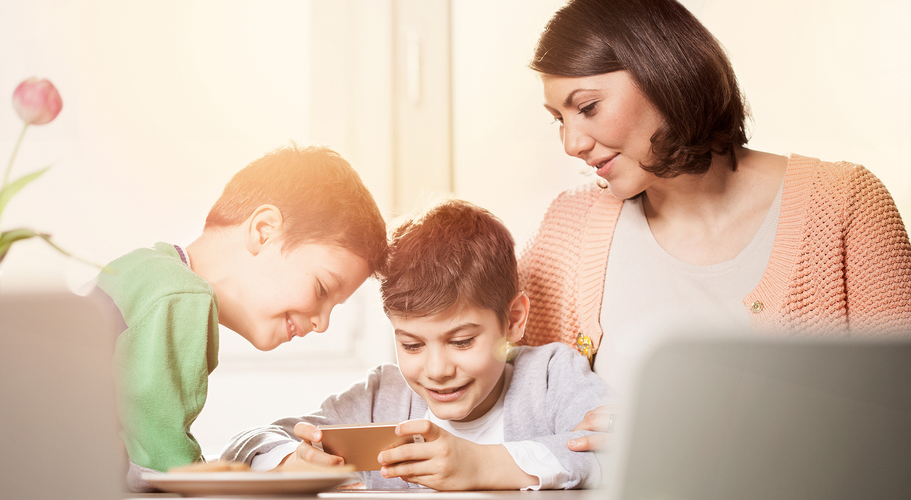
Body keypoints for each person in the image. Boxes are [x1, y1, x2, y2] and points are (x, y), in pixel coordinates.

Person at [519, 0, 911, 452]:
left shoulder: (846, 205)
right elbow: (496, 381)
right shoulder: (567, 227)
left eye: (587, 107)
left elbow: (898, 423)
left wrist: (691, 436)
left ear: (663, 73)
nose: (572, 143)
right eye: (558, 120)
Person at [221, 200, 615, 490]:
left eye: (461, 341)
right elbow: (246, 445)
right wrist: (289, 462)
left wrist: (479, 465)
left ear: (513, 321)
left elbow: (619, 454)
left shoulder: (550, 378)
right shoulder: (382, 398)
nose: (437, 369)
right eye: (411, 345)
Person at [94, 143, 388, 490]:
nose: (322, 324)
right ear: (264, 230)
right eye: (323, 289)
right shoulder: (182, 297)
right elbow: (162, 466)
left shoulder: (142, 269)